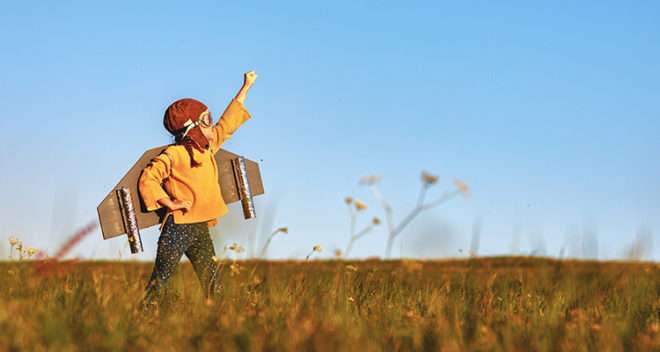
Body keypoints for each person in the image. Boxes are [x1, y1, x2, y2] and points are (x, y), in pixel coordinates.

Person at [138, 71, 257, 306]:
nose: (211, 125)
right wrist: (169, 203)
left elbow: (227, 125)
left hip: (200, 228)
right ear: (191, 127)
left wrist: (245, 88)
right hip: (177, 229)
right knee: (161, 282)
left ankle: (220, 318)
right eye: (205, 121)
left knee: (214, 283)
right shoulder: (175, 154)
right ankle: (144, 319)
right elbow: (148, 179)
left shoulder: (207, 150)